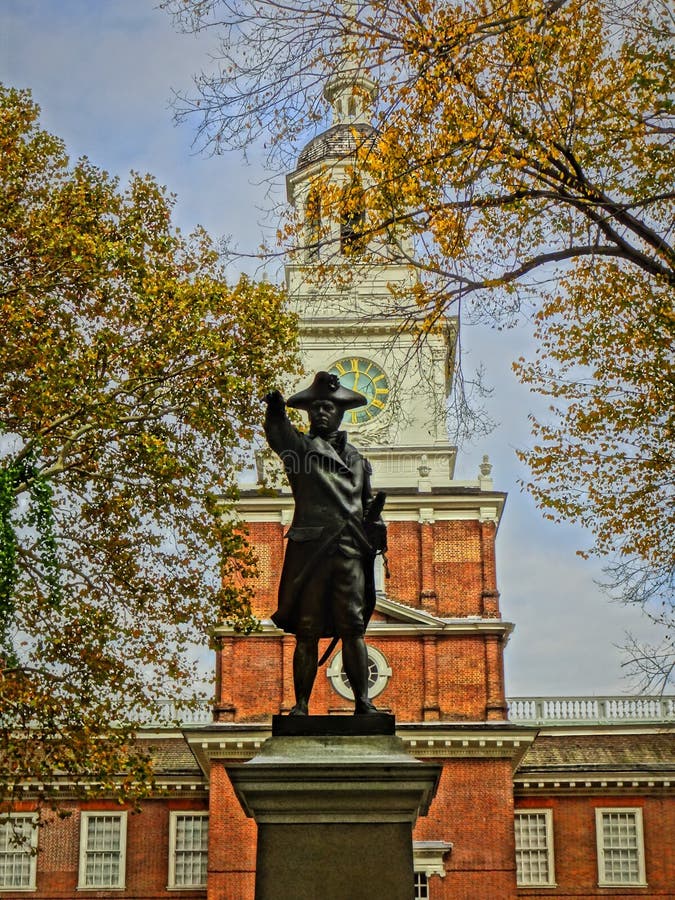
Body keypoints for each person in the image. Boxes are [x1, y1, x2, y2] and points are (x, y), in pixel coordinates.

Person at [263, 371, 385, 715]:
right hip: (313, 551)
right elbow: (279, 435)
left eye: (328, 407)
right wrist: (276, 410)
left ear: (340, 412)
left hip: (349, 548)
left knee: (353, 627)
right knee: (307, 629)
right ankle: (301, 706)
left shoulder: (358, 460)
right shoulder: (301, 450)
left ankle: (363, 703)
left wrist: (376, 524)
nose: (321, 412)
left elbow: (365, 505)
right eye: (315, 407)